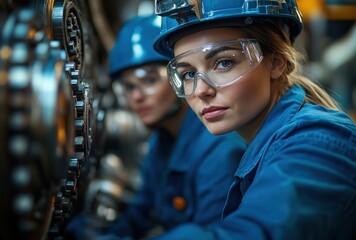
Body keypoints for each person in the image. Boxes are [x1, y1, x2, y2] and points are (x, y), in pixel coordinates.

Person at [149, 0, 356, 239]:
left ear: (276, 62)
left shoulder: (319, 142)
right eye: (188, 74)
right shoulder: (271, 141)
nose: (200, 91)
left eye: (223, 63)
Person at [64, 14, 246, 240]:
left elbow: (211, 234)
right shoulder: (161, 142)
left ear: (179, 77)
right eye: (129, 87)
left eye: (149, 81)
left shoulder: (218, 149)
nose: (137, 96)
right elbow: (141, 212)